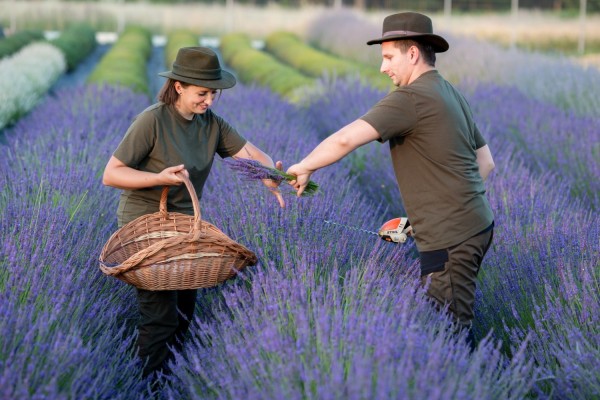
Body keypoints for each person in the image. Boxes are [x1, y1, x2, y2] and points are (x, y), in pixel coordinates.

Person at [287, 12, 495, 350]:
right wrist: (431, 214)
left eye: (388, 57)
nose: (383, 67)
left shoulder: (409, 99)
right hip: (477, 226)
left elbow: (345, 139)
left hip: (450, 238)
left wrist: (305, 166)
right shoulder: (449, 92)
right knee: (444, 313)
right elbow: (485, 162)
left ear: (412, 53)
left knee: (448, 332)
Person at [102, 46, 285, 378]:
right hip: (146, 226)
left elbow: (250, 153)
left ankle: (173, 377)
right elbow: (112, 173)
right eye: (202, 93)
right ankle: (147, 386)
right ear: (178, 87)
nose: (209, 101)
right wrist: (159, 178)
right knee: (160, 315)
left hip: (186, 228)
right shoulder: (152, 120)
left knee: (186, 308)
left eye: (213, 93)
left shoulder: (211, 124)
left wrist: (272, 175)